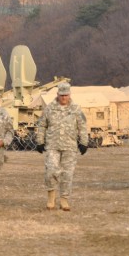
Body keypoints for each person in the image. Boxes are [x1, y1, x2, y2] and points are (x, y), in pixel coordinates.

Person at [35, 82, 89, 211]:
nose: (64, 98)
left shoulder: (76, 109)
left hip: (70, 146)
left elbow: (82, 127)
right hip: (53, 145)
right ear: (57, 95)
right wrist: (39, 141)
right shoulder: (49, 109)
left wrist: (84, 142)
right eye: (61, 95)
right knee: (51, 171)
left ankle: (64, 200)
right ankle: (51, 198)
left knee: (67, 174)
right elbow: (42, 126)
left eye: (66, 95)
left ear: (69, 95)